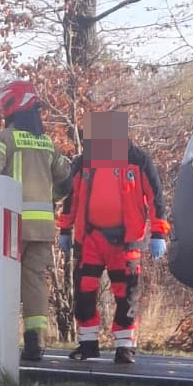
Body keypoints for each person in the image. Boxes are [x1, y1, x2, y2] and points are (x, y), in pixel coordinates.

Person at [0, 80, 72, 361]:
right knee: (35, 282)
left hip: (9, 226)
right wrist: (51, 199)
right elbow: (67, 180)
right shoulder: (48, 144)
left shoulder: (4, 139)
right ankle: (35, 340)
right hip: (42, 229)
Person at [58, 114, 170, 363]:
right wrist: (65, 229)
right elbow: (71, 198)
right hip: (90, 239)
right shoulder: (84, 163)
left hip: (126, 241)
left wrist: (159, 232)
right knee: (84, 292)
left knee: (126, 295)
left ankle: (124, 347)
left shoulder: (138, 160)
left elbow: (156, 197)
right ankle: (87, 344)